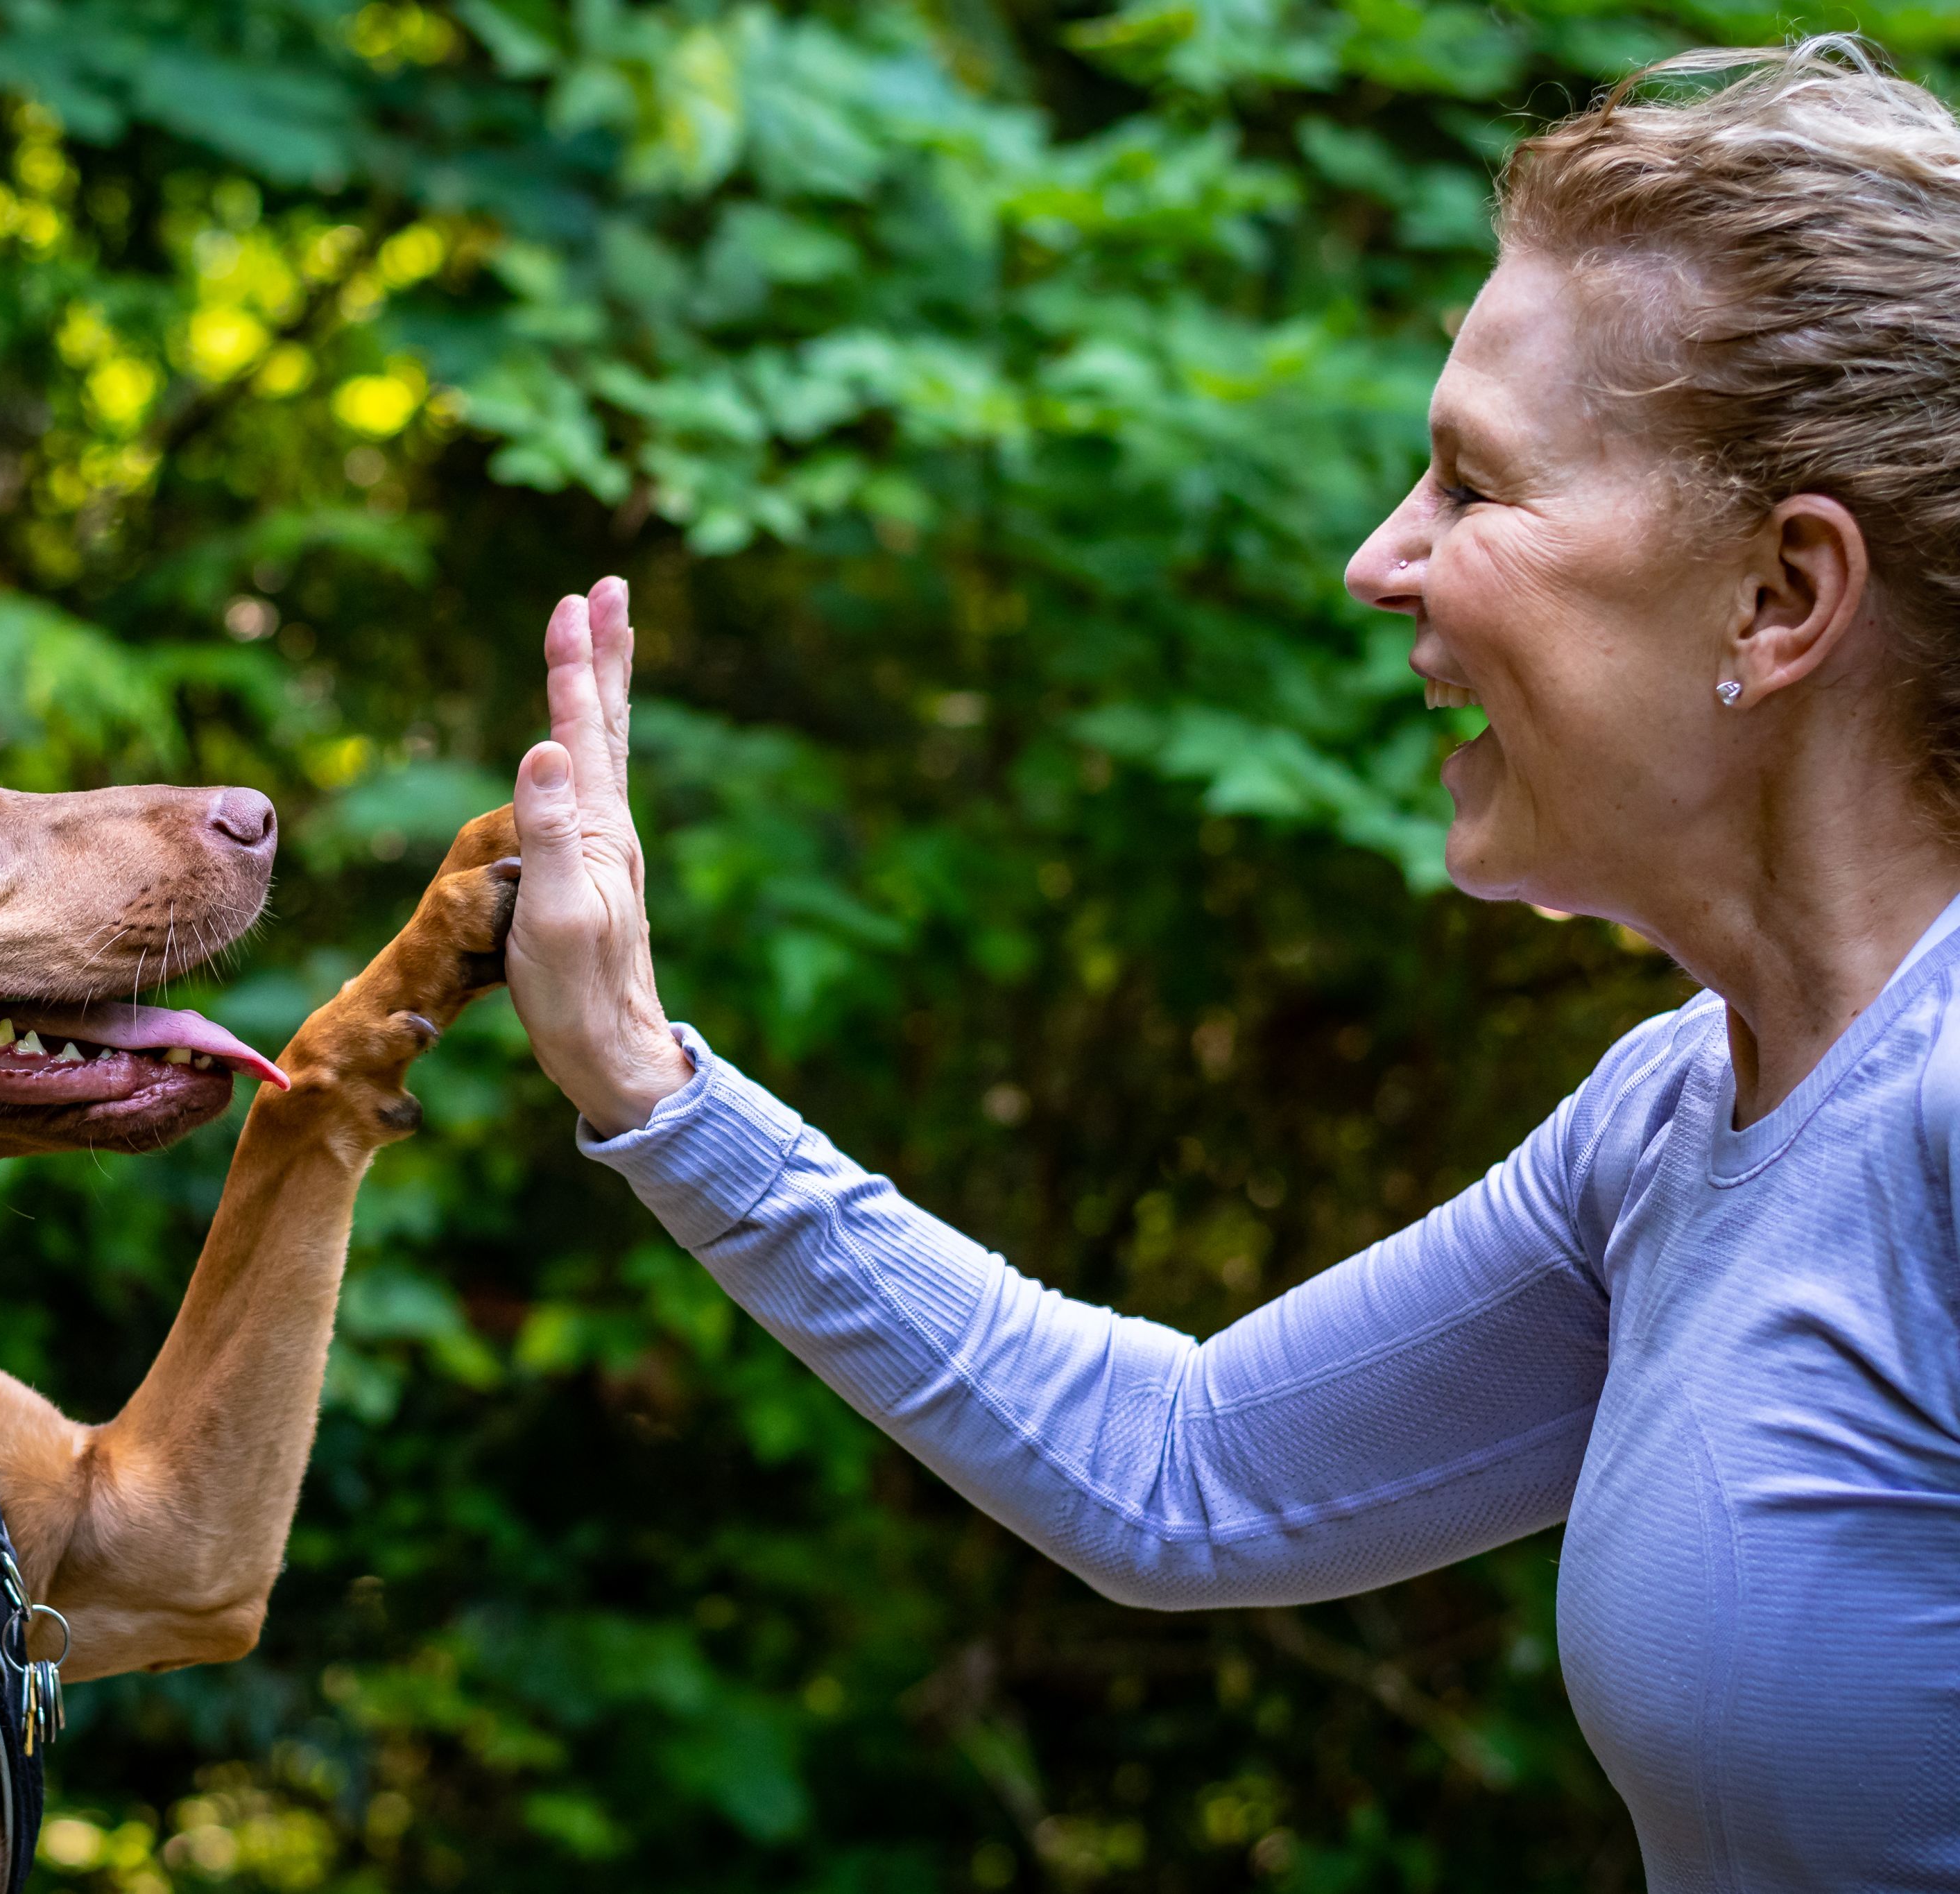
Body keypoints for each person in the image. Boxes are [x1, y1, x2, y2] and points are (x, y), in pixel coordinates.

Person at [499, 40, 1960, 1893]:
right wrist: (647, 1080)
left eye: (1471, 486)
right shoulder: (1674, 1122)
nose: (1379, 561)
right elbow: (1182, 1472)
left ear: (1782, 596)